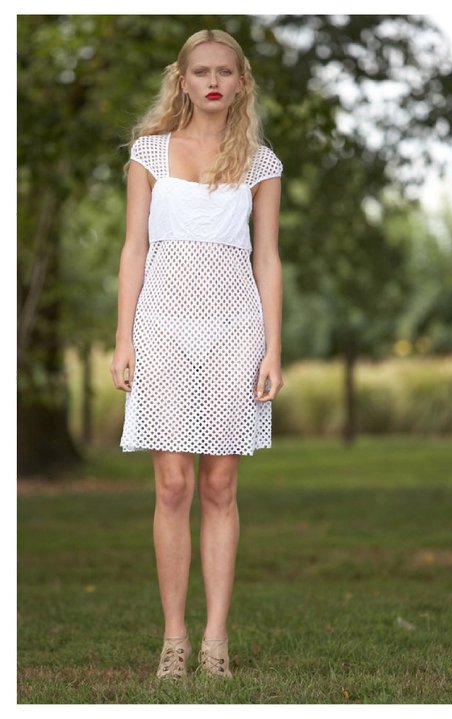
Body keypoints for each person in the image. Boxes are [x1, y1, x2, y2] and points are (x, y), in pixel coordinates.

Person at [110, 28, 284, 681]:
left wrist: (273, 347)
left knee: (219, 484)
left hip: (236, 327)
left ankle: (215, 640)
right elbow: (133, 248)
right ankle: (174, 639)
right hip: (161, 326)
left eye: (225, 72)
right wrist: (123, 336)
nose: (213, 81)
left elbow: (268, 259)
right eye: (201, 71)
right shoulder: (148, 153)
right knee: (173, 483)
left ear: (241, 82)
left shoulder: (260, 164)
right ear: (181, 80)